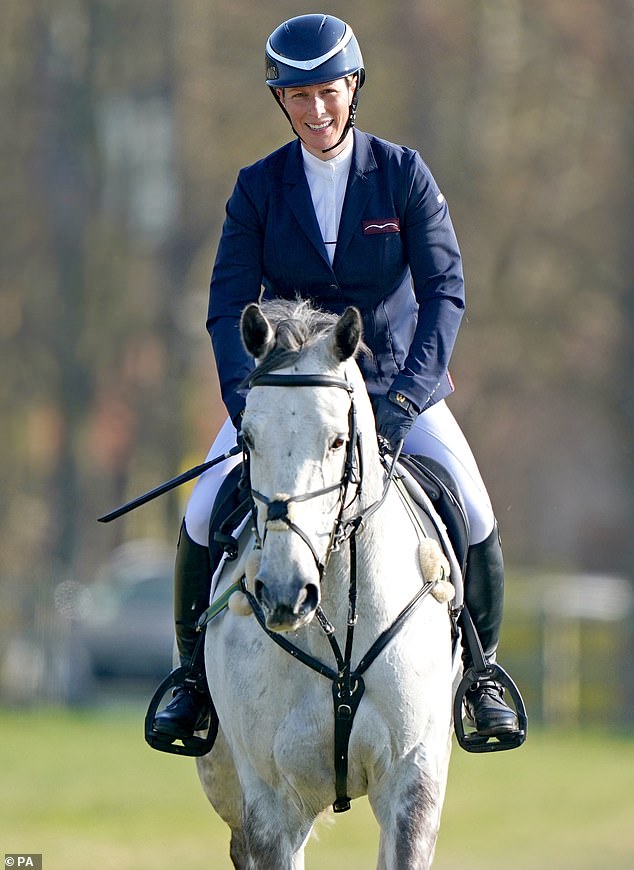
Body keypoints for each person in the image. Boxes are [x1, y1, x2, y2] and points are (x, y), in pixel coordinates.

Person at [152, 13, 519, 743]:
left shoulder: (404, 175)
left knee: (475, 514)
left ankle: (480, 680)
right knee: (199, 517)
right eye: (298, 96)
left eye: (328, 92)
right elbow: (227, 306)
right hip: (288, 399)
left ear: (354, 88)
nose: (316, 111)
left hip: (394, 392)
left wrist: (408, 401)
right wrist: (246, 403)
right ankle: (192, 681)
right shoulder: (258, 188)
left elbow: (445, 292)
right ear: (280, 101)